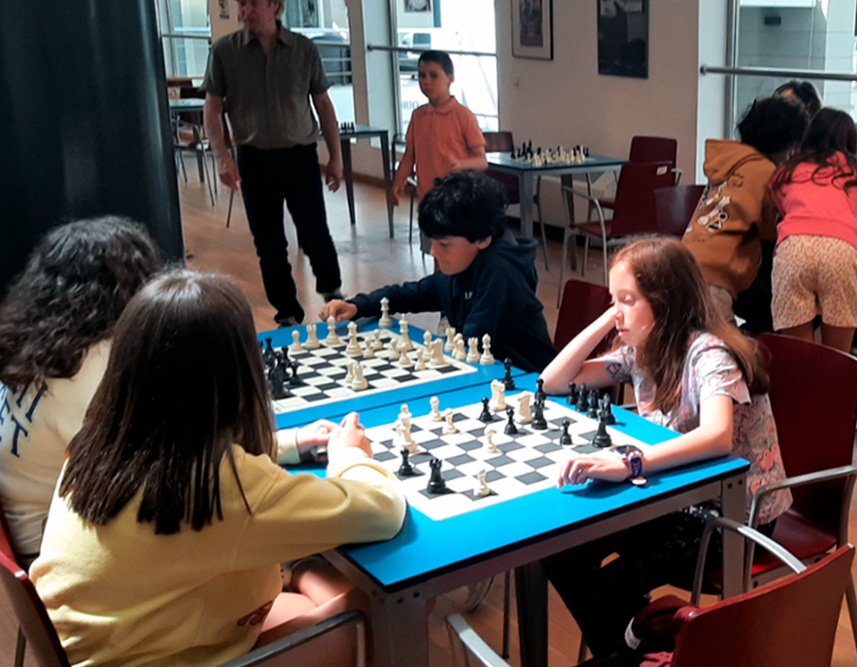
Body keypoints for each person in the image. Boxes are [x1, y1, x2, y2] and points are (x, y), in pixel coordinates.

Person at [31, 270, 407, 667]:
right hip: (171, 657)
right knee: (382, 606)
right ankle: (302, 571)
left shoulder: (96, 444)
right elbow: (383, 510)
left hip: (107, 645)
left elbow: (172, 447)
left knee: (312, 580)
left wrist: (290, 444)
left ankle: (301, 571)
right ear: (236, 375)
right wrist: (349, 456)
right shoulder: (221, 487)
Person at [538, 238, 792, 657]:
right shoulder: (642, 350)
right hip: (673, 498)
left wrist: (631, 464)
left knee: (612, 587)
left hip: (732, 517)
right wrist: (608, 319)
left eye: (628, 300)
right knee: (559, 550)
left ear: (665, 301)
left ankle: (640, 649)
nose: (617, 312)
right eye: (613, 299)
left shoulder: (710, 354)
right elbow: (553, 382)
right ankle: (640, 646)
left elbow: (717, 435)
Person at [0, 218, 163, 566]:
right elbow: (158, 471)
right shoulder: (95, 370)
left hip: (24, 537)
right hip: (57, 554)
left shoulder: (32, 346)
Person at [321, 170, 555, 372]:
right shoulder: (463, 264)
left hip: (529, 382)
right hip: (490, 375)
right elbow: (409, 294)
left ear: (483, 238)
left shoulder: (501, 271)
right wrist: (358, 306)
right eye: (432, 241)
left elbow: (471, 342)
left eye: (444, 244)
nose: (433, 251)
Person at [203, 0, 345, 327]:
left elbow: (323, 104)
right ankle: (287, 313)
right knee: (268, 243)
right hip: (254, 160)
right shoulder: (225, 51)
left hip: (300, 157)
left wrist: (335, 158)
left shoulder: (303, 49)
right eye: (243, 4)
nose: (246, 11)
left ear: (275, 6)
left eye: (254, 4)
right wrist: (222, 157)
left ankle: (333, 293)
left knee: (315, 233)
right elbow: (212, 108)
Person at [682, 96, 809, 332]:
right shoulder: (767, 173)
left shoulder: (730, 162)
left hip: (688, 258)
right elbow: (771, 232)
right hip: (716, 276)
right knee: (732, 343)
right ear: (789, 145)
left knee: (764, 314)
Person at [769, 108, 857, 353]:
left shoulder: (787, 170)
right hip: (840, 251)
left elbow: (784, 211)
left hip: (794, 250)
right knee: (837, 356)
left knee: (798, 354)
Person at [390, 50, 488, 253]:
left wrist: (461, 165)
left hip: (458, 202)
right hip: (429, 200)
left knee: (456, 257)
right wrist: (399, 180)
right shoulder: (418, 116)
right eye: (422, 75)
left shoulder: (464, 116)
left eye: (433, 75)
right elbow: (409, 155)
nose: (426, 81)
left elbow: (482, 161)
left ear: (450, 79)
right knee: (437, 255)